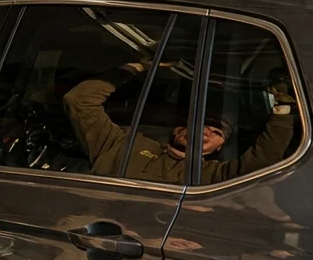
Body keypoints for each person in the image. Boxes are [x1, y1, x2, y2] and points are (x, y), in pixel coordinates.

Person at [63, 61, 296, 184]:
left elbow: (265, 157)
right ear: (176, 127)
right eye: (197, 121)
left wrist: (283, 108)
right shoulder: (121, 145)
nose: (204, 130)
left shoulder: (215, 177)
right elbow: (80, 101)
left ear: (220, 147)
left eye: (216, 130)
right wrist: (139, 66)